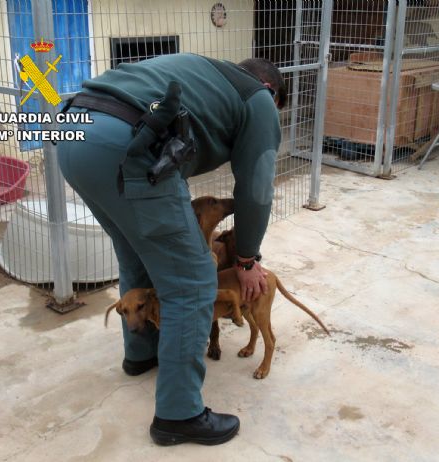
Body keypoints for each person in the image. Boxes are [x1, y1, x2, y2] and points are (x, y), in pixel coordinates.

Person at [56, 52, 286, 446]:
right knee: (194, 281)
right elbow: (257, 187)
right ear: (270, 90)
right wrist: (246, 257)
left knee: (136, 255)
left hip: (73, 135)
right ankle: (179, 415)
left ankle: (142, 352)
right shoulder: (258, 99)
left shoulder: (204, 71)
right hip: (125, 142)